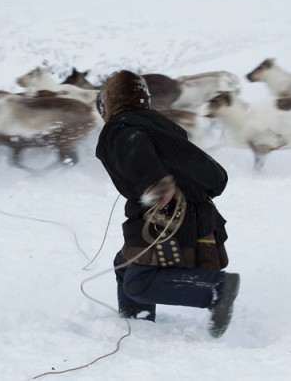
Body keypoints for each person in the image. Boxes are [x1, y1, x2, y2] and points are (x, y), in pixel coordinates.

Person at [95, 70, 240, 338]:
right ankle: (137, 322)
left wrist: (155, 183)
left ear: (109, 102)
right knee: (125, 265)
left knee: (139, 283)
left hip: (168, 217)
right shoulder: (164, 125)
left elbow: (134, 147)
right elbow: (215, 176)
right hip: (200, 214)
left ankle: (217, 289)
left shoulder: (120, 127)